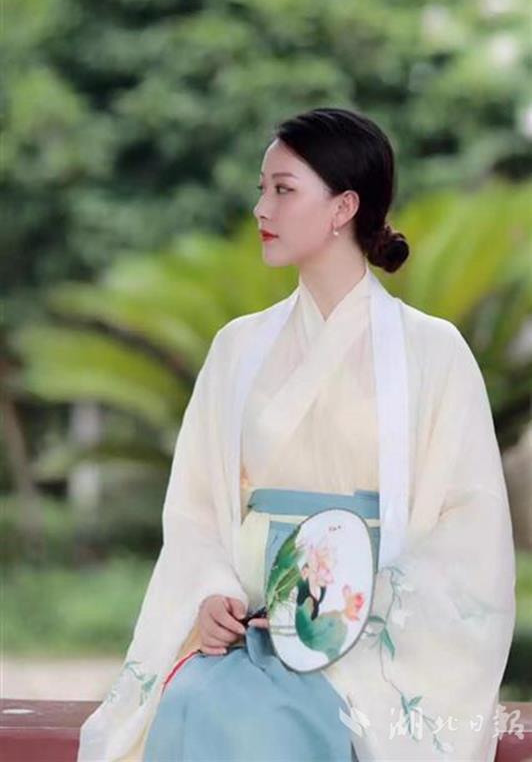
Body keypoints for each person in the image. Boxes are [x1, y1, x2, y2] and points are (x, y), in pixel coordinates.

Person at [77, 107, 516, 762]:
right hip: (246, 629)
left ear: (343, 207)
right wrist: (212, 593)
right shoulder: (238, 347)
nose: (262, 207)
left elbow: (471, 528)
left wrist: (350, 606)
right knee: (195, 701)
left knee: (272, 724)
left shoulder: (433, 352)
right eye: (263, 189)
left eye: (283, 189)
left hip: (368, 636)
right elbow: (195, 509)